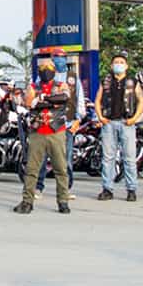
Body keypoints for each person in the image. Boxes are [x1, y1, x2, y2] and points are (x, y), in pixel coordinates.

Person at [14, 58, 73, 215]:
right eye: (42, 67)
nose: (45, 70)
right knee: (31, 169)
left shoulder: (61, 85)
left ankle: (63, 201)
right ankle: (27, 201)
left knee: (61, 168)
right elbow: (29, 103)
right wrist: (50, 101)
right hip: (37, 132)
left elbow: (64, 98)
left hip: (56, 131)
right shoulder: (33, 86)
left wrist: (42, 99)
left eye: (49, 67)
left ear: (54, 69)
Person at [93, 51, 143, 202]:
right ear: (111, 65)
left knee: (129, 158)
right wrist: (100, 117)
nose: (119, 65)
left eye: (122, 63)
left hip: (126, 123)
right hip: (109, 123)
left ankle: (131, 189)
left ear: (127, 66)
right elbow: (98, 99)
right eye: (116, 62)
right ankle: (107, 189)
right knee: (108, 158)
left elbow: (142, 101)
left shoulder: (132, 81)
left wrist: (134, 118)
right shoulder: (106, 81)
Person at [33, 48, 83, 201]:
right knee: (42, 158)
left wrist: (78, 119)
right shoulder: (43, 76)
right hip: (46, 122)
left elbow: (79, 98)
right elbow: (34, 97)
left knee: (65, 159)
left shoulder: (73, 78)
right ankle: (38, 187)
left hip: (66, 124)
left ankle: (65, 190)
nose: (59, 59)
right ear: (52, 59)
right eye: (56, 57)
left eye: (62, 57)